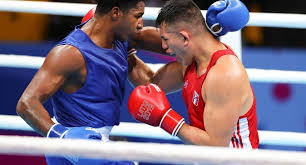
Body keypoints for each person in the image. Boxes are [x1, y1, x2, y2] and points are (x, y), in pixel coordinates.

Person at [127, 0, 259, 149]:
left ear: (185, 38)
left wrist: (166, 118)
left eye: (165, 40)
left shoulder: (224, 74)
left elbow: (216, 146)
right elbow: (150, 86)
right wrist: (124, 52)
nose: (164, 47)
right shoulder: (191, 63)